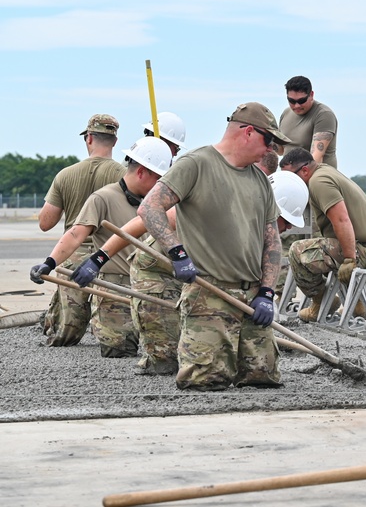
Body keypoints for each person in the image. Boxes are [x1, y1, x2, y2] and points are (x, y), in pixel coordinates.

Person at [137, 102, 289, 391]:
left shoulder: (260, 180)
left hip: (252, 297)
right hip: (210, 295)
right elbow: (150, 208)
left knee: (264, 379)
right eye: (269, 140)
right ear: (247, 132)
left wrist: (267, 292)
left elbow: (272, 239)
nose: (271, 150)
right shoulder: (196, 164)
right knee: (204, 382)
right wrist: (177, 253)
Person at [31, 137, 172, 357]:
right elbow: (76, 234)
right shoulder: (103, 198)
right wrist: (49, 264)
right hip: (115, 290)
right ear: (142, 172)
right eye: (158, 179)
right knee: (118, 352)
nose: (161, 187)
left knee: (167, 351)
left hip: (152, 287)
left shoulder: (160, 204)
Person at [37, 113, 126, 346]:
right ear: (114, 141)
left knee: (64, 337)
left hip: (71, 258)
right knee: (116, 338)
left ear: (88, 138)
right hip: (110, 258)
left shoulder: (65, 175)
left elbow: (45, 223)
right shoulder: (124, 176)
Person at [278, 148, 366, 322]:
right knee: (321, 248)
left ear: (304, 170)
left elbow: (341, 220)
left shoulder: (319, 182)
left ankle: (321, 302)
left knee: (298, 251)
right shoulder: (323, 172)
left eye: (292, 177)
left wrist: (349, 259)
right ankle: (357, 305)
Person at [278, 76, 339, 168]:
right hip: (291, 177)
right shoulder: (286, 114)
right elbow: (281, 150)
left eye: (301, 101)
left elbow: (316, 157)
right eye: (291, 101)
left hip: (317, 177)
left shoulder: (324, 115)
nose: (297, 105)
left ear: (311, 95)